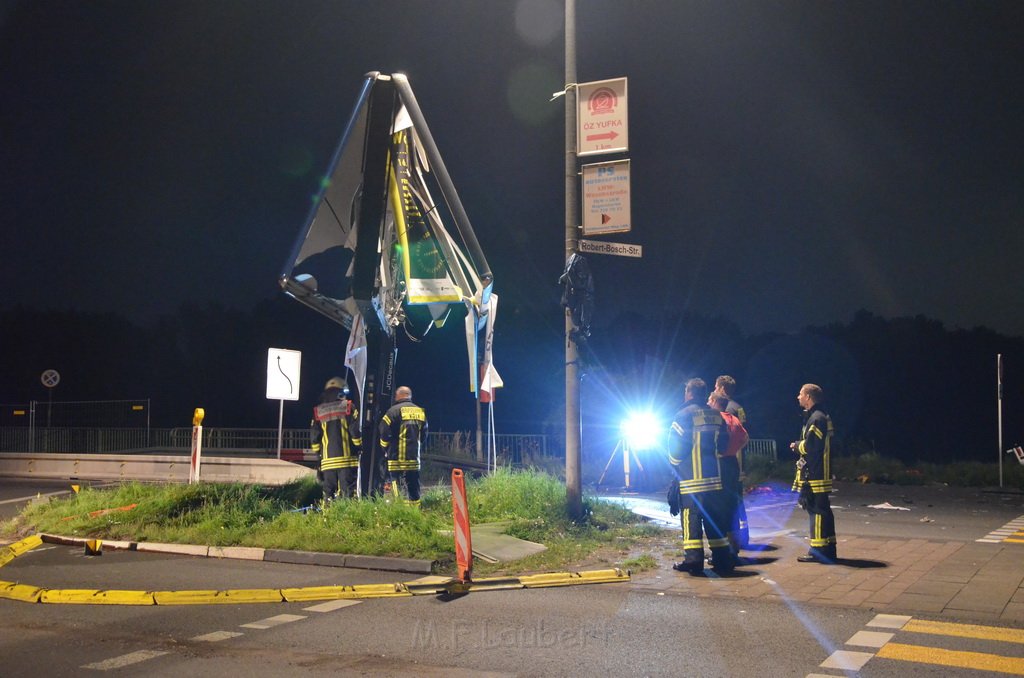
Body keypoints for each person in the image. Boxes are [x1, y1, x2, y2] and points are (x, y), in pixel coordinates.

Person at [668, 377, 733, 574]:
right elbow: (724, 445)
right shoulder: (716, 415)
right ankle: (723, 560)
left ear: (689, 393)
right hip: (714, 479)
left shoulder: (682, 415)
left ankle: (693, 561)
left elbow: (675, 449)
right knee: (715, 521)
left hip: (691, 479)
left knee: (691, 519)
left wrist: (675, 466)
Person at [789, 383, 837, 563]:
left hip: (815, 473)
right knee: (823, 511)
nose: (798, 397)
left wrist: (796, 446)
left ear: (808, 397)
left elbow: (812, 447)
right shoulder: (821, 416)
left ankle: (818, 551)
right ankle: (828, 548)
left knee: (816, 511)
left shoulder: (816, 418)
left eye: (801, 394)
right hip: (819, 471)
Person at [708, 392, 749, 554]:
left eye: (709, 400)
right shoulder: (734, 419)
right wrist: (734, 450)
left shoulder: (717, 419)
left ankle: (722, 549)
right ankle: (734, 546)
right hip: (733, 463)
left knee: (719, 507)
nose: (707, 402)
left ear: (714, 401)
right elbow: (745, 438)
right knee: (732, 506)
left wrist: (718, 455)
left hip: (720, 466)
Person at [311, 376, 363, 502]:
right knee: (348, 494)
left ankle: (327, 518)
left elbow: (314, 438)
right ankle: (346, 520)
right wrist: (359, 446)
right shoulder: (349, 407)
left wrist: (319, 454)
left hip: (327, 462)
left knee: (328, 494)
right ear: (341, 392)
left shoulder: (318, 411)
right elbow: (355, 432)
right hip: (347, 461)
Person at [378, 385, 428, 507]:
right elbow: (424, 434)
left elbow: (383, 430)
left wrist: (385, 447)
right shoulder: (420, 411)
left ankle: (401, 511)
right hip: (413, 460)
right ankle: (415, 512)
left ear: (398, 396)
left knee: (399, 489)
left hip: (397, 460)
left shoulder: (393, 411)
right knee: (413, 489)